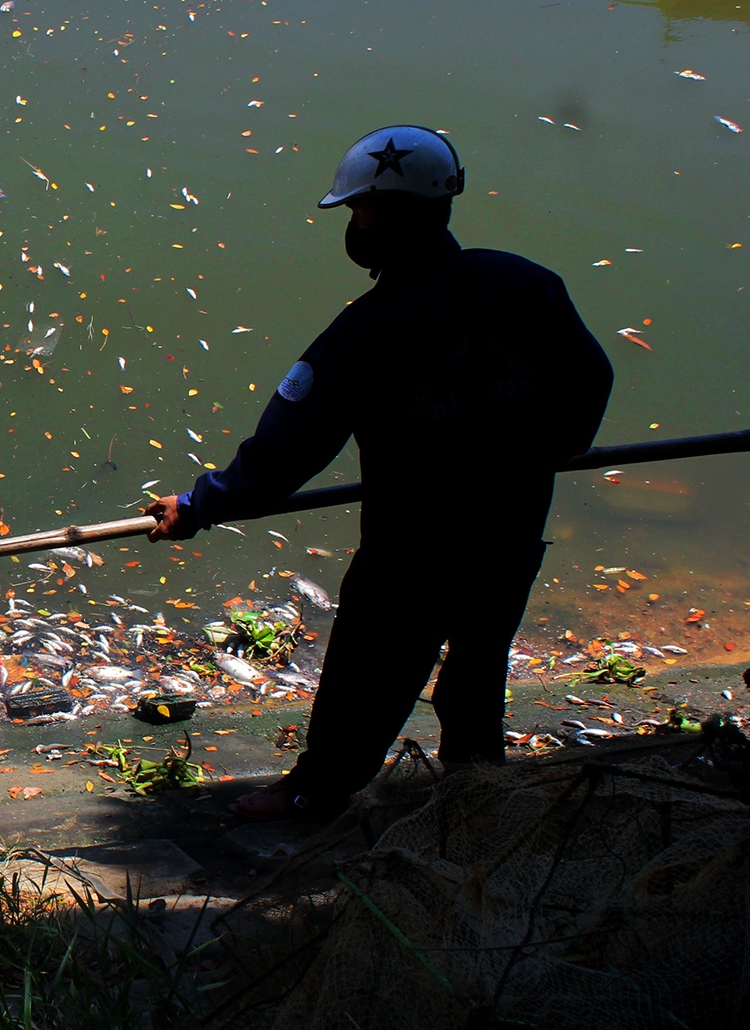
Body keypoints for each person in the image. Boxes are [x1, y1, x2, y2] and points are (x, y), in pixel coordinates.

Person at [145, 125, 613, 820]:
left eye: (360, 211)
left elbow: (283, 453)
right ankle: (476, 785)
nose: (354, 225)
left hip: (412, 547)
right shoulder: (525, 284)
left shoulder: (369, 328)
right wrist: (550, 446)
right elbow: (591, 379)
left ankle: (316, 788)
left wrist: (200, 503)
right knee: (480, 657)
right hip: (512, 529)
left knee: (368, 672)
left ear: (394, 214)